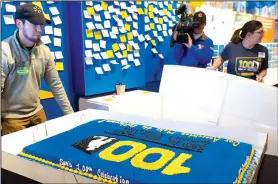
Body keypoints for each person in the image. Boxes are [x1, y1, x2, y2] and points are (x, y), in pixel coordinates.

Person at [1, 4, 74, 135]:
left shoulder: (44, 51)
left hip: (37, 111)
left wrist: (71, 116)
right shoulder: (4, 52)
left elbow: (56, 85)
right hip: (12, 118)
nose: (39, 28)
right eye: (34, 24)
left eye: (41, 24)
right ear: (19, 23)